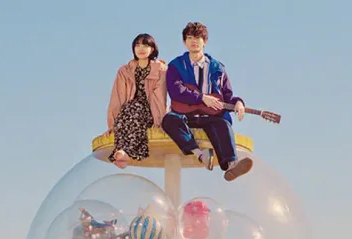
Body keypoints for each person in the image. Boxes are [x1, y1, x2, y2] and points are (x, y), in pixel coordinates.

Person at [162, 22, 253, 181]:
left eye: (197, 37)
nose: (193, 41)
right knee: (169, 120)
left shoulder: (218, 68)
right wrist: (202, 98)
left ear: (205, 41)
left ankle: (232, 165)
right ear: (184, 42)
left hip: (211, 116)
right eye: (189, 38)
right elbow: (175, 90)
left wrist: (238, 103)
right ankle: (200, 154)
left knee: (222, 124)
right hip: (185, 114)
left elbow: (226, 95)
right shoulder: (176, 65)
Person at [106, 33, 168, 168]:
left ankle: (126, 153)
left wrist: (159, 122)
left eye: (145, 45)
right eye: (137, 45)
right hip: (128, 111)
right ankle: (121, 153)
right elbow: (117, 97)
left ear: (152, 49)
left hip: (150, 111)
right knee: (126, 112)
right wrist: (112, 124)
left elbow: (160, 97)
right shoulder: (125, 71)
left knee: (135, 109)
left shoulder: (160, 70)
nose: (141, 49)